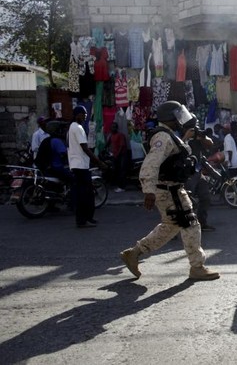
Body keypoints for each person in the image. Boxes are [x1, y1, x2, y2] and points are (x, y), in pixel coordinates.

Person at [119, 101, 219, 281]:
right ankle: (197, 267)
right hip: (168, 189)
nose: (182, 118)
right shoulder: (163, 137)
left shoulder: (170, 135)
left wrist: (186, 139)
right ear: (171, 117)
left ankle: (134, 253)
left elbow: (174, 158)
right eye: (178, 115)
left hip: (172, 188)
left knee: (171, 226)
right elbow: (151, 164)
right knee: (190, 223)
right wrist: (148, 190)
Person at [68, 106, 107, 228]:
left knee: (83, 194)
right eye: (83, 114)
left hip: (77, 164)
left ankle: (84, 219)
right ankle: (84, 219)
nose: (85, 116)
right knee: (87, 194)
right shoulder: (77, 127)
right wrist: (99, 162)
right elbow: (85, 148)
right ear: (77, 115)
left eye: (85, 114)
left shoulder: (72, 127)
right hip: (80, 166)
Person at [107, 122, 128, 192]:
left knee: (121, 171)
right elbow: (108, 143)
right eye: (112, 127)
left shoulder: (120, 135)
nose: (113, 128)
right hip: (116, 155)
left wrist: (117, 155)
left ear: (117, 128)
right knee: (116, 170)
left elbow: (122, 146)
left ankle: (122, 187)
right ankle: (117, 185)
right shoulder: (111, 135)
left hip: (122, 155)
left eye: (115, 127)